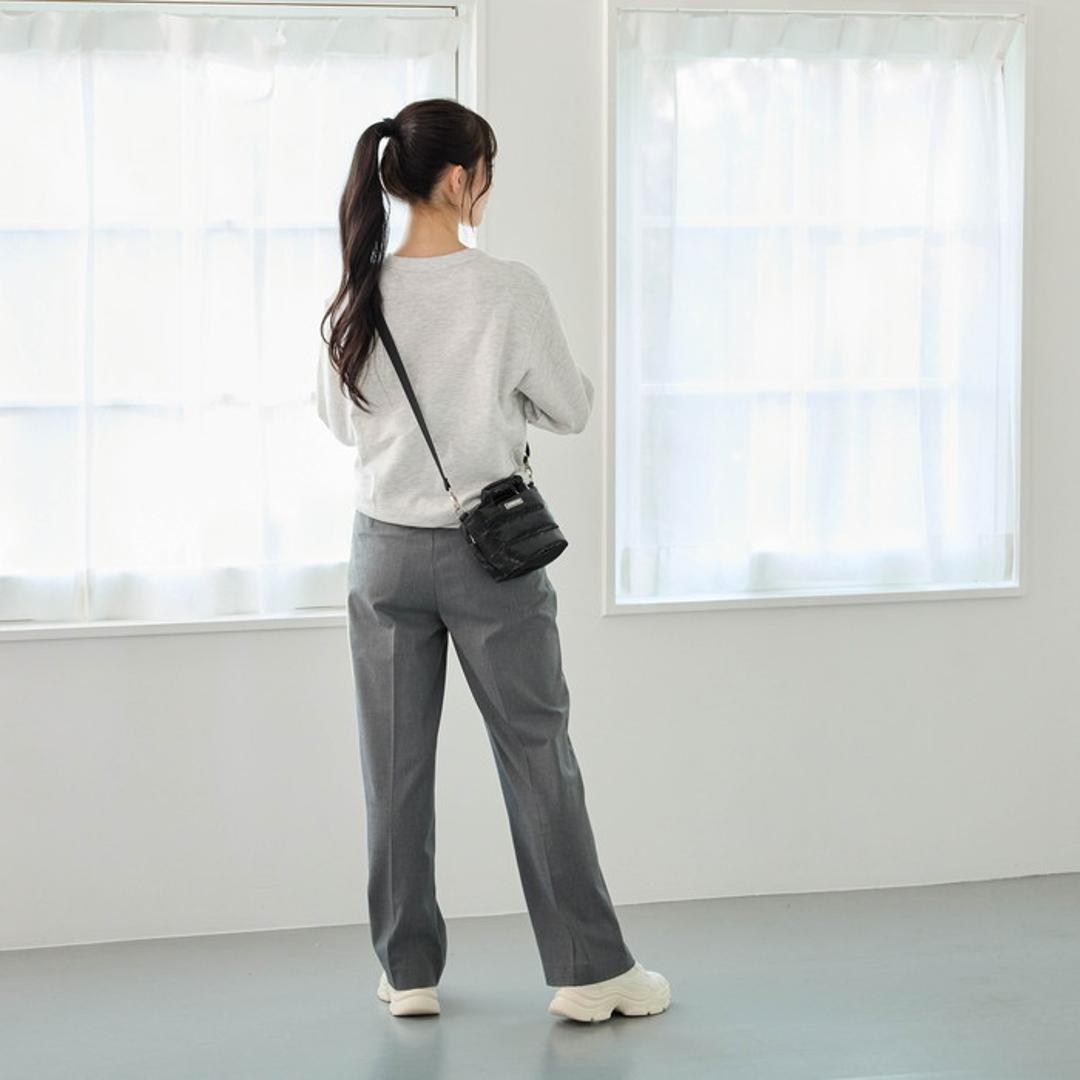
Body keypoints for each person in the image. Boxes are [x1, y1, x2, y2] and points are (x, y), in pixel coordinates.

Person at [314, 97, 671, 1023]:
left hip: (381, 554)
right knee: (537, 753)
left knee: (393, 769)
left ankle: (408, 972)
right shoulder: (506, 289)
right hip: (491, 556)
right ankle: (591, 971)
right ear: (459, 177)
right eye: (488, 173)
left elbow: (340, 421)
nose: (489, 188)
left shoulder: (358, 290)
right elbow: (570, 408)